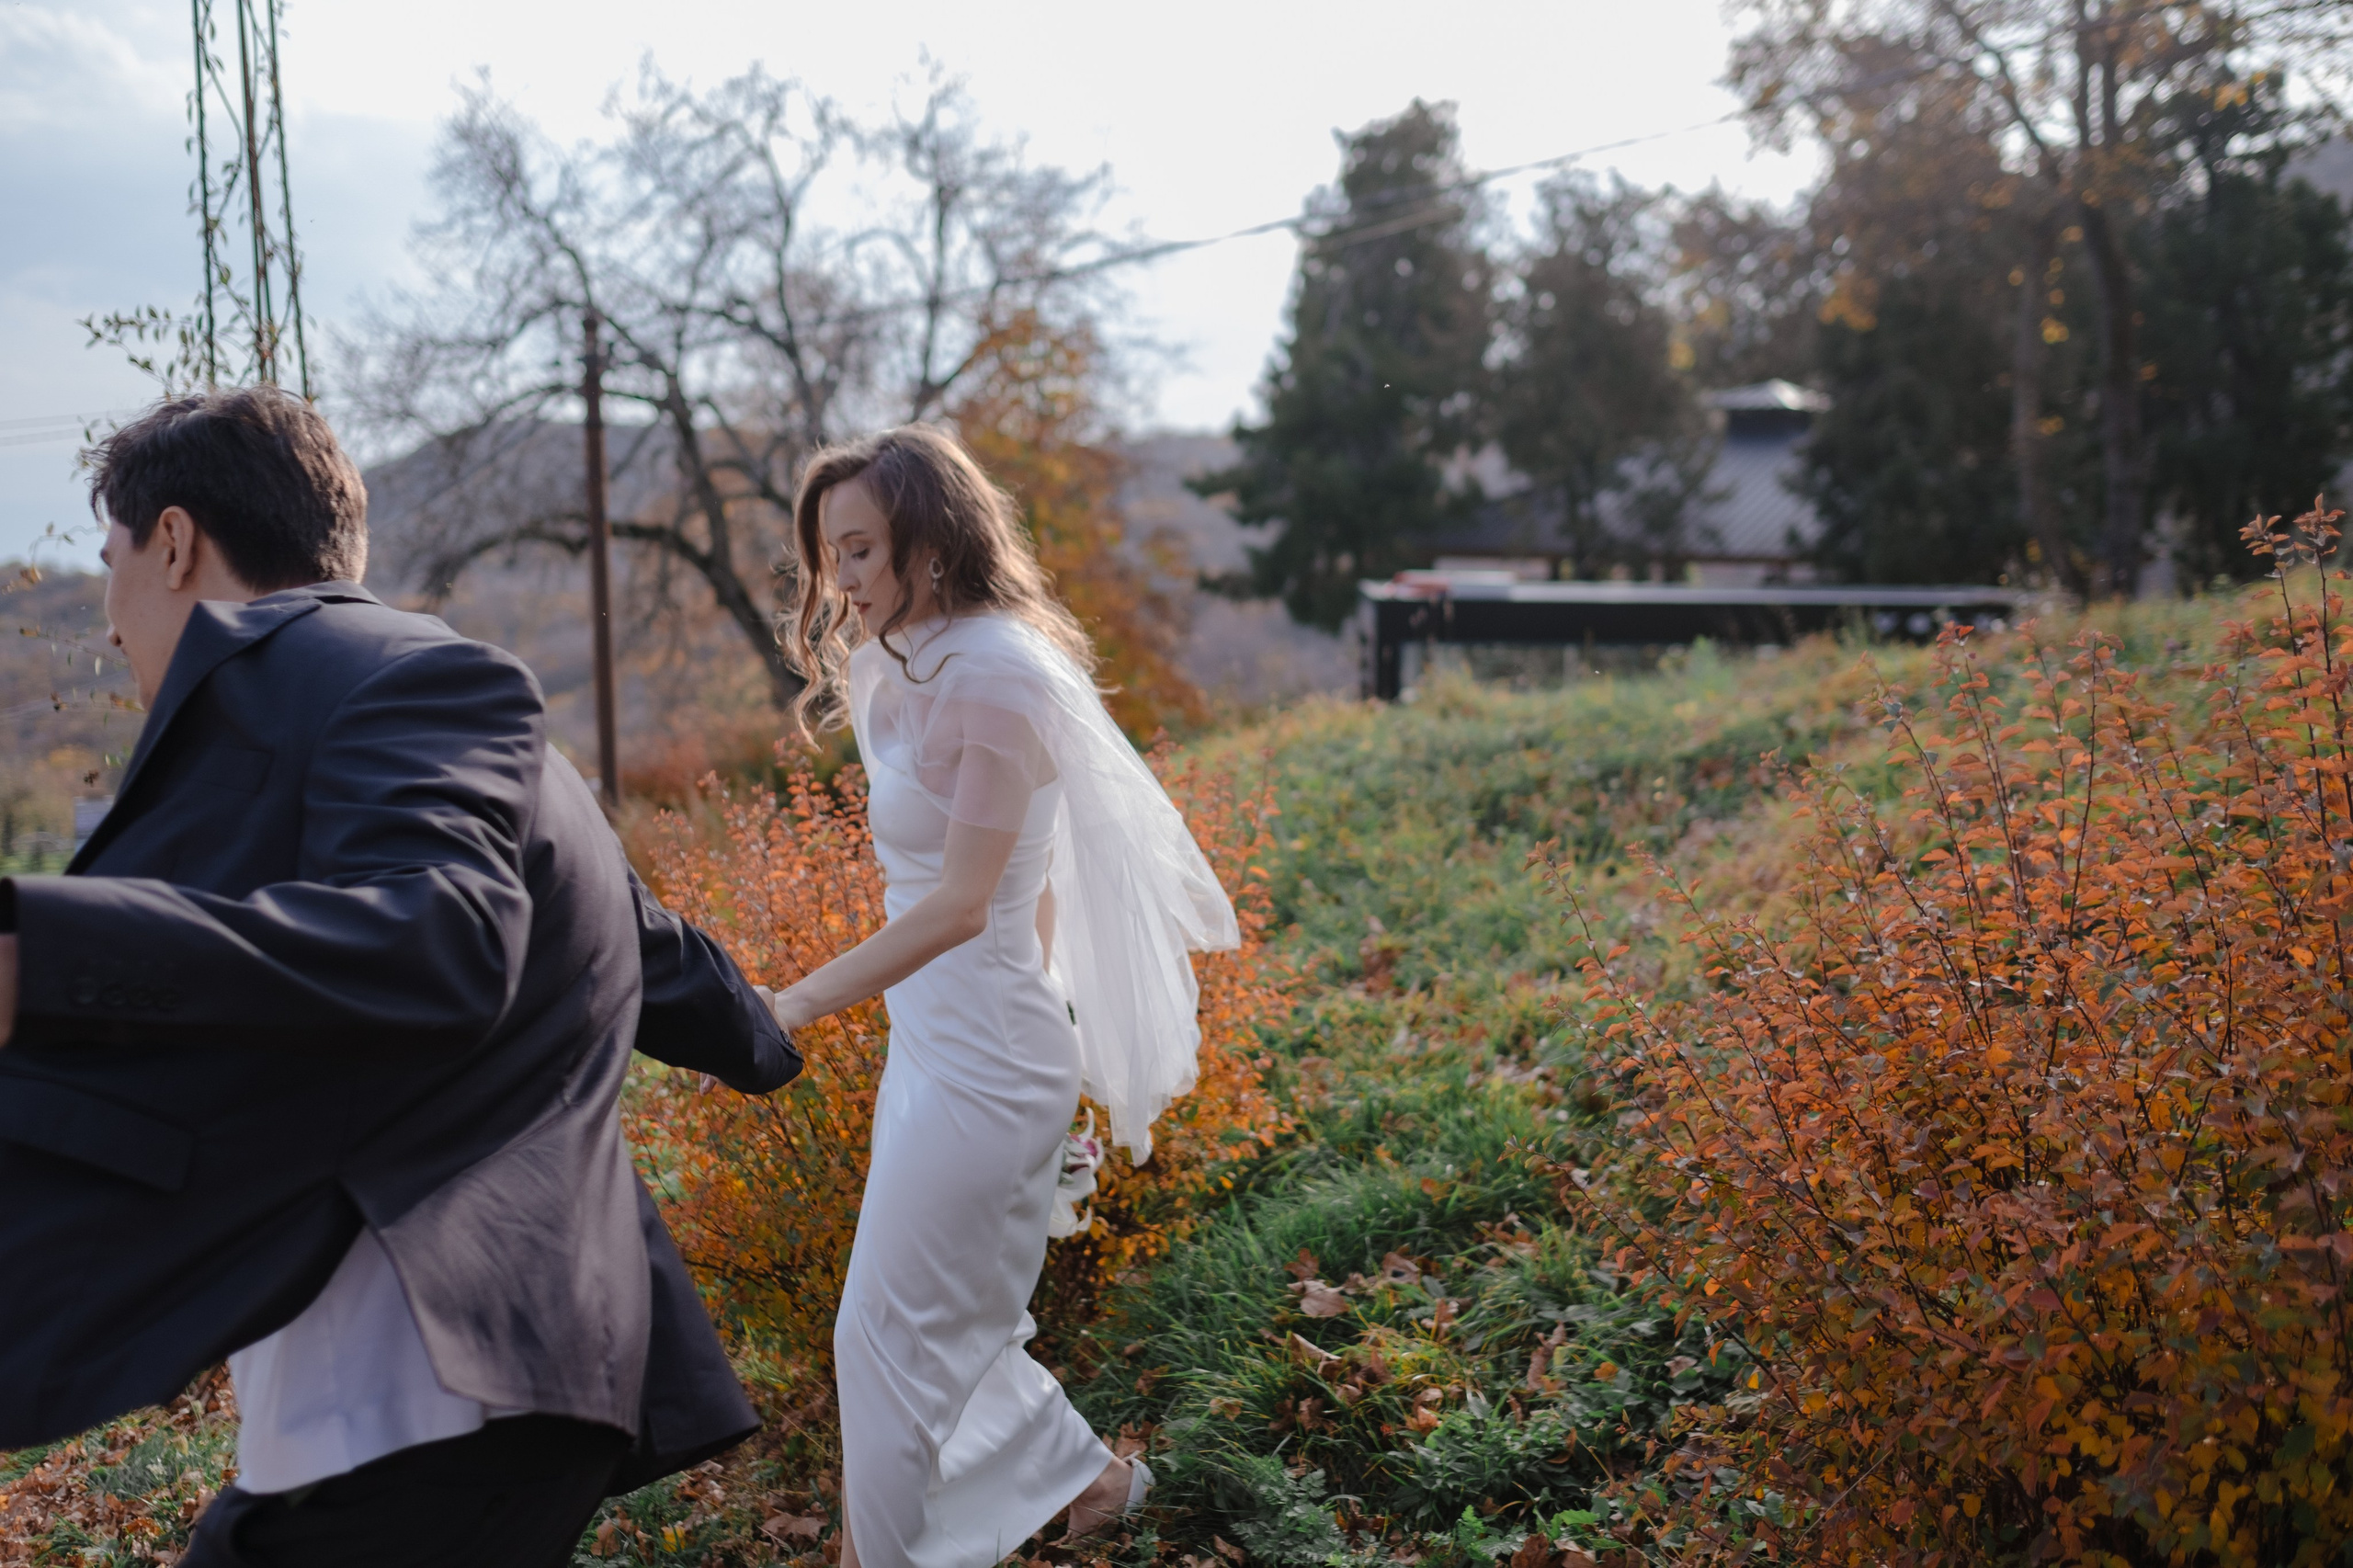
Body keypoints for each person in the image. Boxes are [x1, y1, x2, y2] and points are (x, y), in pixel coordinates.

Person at [0, 387, 799, 1567]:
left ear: (172, 541)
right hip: (412, 1406)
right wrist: (769, 1036)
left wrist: (45, 954)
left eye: (110, 562)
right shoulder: (427, 706)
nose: (112, 624)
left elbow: (447, 931)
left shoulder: (393, 675)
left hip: (430, 1385)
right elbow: (643, 942)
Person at [772, 426, 1239, 1568]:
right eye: (832, 553)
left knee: (877, 1330)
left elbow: (964, 904)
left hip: (985, 1062)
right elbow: (1024, 897)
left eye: (863, 549)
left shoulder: (998, 677)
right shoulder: (902, 656)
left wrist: (783, 1005)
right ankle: (1100, 1477)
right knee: (941, 1321)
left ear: (932, 543)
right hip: (938, 1042)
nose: (844, 579)